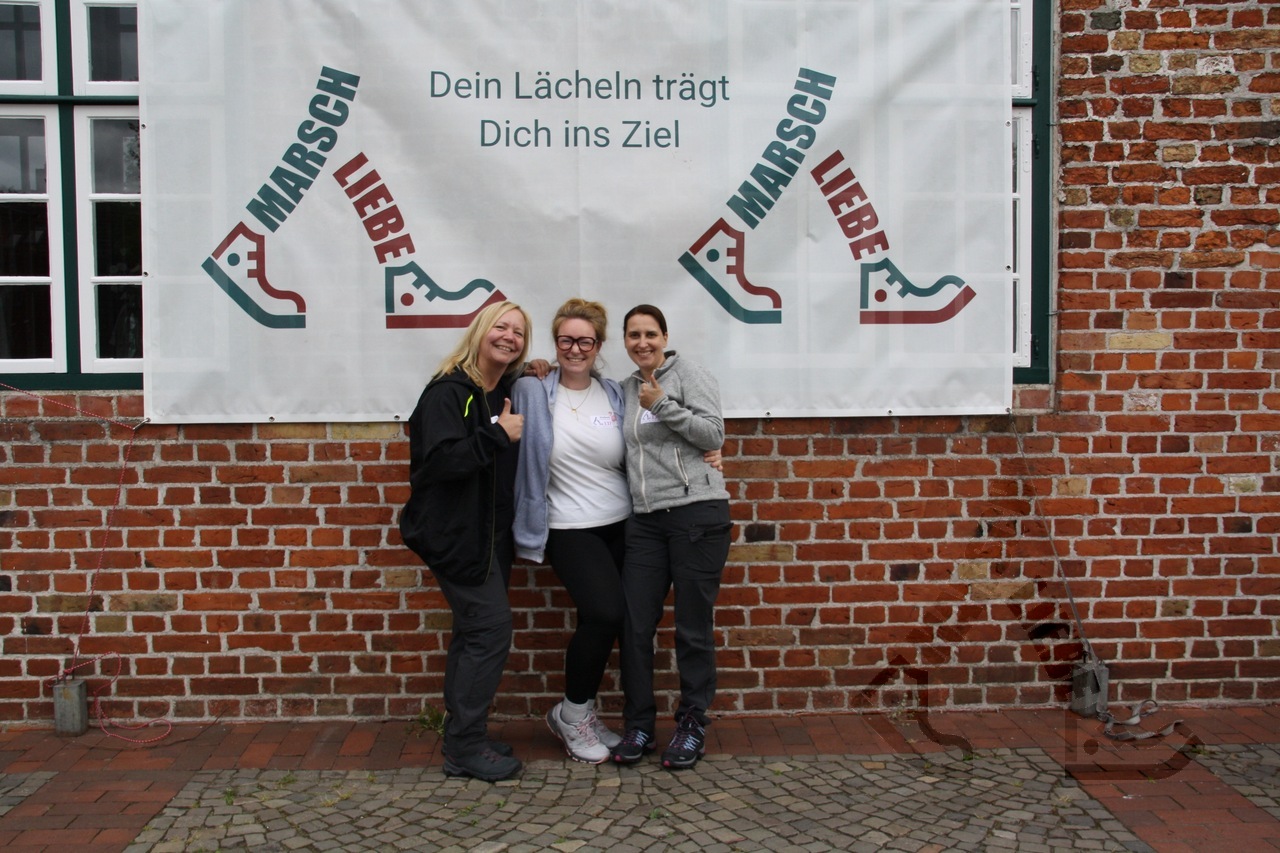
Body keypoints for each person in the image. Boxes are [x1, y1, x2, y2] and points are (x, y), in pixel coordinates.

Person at [398, 300, 531, 782]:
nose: (509, 336)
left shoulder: (502, 390)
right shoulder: (449, 393)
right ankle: (465, 748)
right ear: (479, 331)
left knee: (473, 633)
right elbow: (438, 464)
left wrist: (536, 370)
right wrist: (497, 436)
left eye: (518, 332)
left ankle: (464, 736)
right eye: (501, 326)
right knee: (490, 631)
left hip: (490, 535)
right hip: (455, 535)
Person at [610, 304, 733, 771]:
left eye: (650, 334)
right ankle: (639, 725)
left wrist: (662, 403)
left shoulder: (688, 375)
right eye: (633, 335)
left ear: (664, 336)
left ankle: (692, 723)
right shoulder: (625, 388)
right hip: (645, 521)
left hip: (695, 514)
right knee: (635, 625)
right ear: (625, 341)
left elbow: (713, 434)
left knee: (691, 627)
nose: (642, 342)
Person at [512, 298, 629, 764]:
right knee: (605, 613)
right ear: (555, 343)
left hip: (622, 522)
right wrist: (527, 366)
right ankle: (571, 714)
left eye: (585, 341)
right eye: (566, 340)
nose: (575, 349)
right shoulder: (532, 388)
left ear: (599, 345)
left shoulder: (614, 393)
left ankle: (583, 710)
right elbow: (495, 383)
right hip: (567, 524)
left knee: (601, 621)